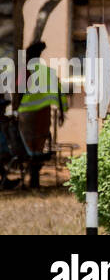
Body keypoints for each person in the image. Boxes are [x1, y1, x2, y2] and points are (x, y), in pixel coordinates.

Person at [17, 40, 67, 187]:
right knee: (38, 147)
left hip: (26, 114)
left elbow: (18, 93)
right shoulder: (48, 72)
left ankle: (30, 179)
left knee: (28, 148)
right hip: (43, 114)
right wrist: (62, 112)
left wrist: (15, 110)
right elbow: (59, 92)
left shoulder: (25, 70)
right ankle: (35, 179)